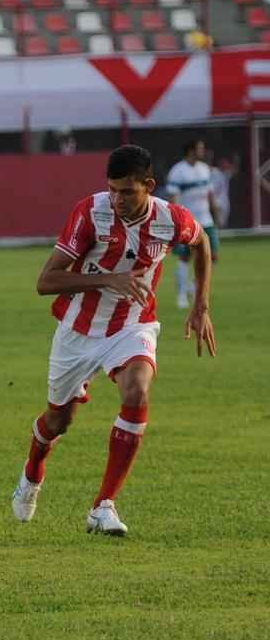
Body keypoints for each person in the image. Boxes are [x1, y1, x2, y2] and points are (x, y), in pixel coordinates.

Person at [11, 144, 216, 537]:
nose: (117, 199)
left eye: (127, 191)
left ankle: (102, 505)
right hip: (78, 330)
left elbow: (201, 241)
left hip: (132, 325)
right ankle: (32, 471)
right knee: (58, 421)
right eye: (112, 189)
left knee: (137, 391)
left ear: (148, 186)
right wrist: (109, 279)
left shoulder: (170, 218)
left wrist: (201, 305)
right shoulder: (91, 212)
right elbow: (46, 282)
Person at [165, 139, 219, 310]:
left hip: (207, 221)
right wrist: (175, 222)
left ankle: (193, 286)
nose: (203, 151)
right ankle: (181, 296)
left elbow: (210, 194)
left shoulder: (204, 168)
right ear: (190, 151)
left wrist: (215, 213)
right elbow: (173, 199)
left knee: (212, 256)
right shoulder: (178, 171)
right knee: (185, 257)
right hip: (188, 222)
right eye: (200, 148)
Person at [210, 155, 235, 229]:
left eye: (226, 163)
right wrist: (209, 158)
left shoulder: (227, 173)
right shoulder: (214, 171)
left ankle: (220, 230)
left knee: (223, 222)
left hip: (225, 203)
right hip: (216, 201)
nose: (225, 164)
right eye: (223, 163)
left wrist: (236, 159)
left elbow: (234, 170)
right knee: (217, 221)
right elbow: (206, 168)